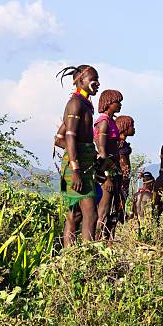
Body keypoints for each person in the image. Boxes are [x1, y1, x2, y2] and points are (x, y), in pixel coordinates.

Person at [56, 65, 100, 246]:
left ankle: (70, 259)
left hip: (83, 163)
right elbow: (69, 136)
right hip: (77, 167)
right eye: (93, 79)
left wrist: (91, 155)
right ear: (80, 81)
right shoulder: (75, 104)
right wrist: (76, 168)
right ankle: (87, 258)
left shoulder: (84, 104)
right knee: (91, 213)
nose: (97, 83)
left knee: (76, 215)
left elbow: (59, 138)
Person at [94, 90, 124, 240]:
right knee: (103, 211)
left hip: (113, 168)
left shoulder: (111, 121)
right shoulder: (103, 122)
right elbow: (102, 150)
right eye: (117, 102)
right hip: (107, 169)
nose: (120, 105)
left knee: (112, 210)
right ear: (108, 103)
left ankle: (108, 244)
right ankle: (96, 244)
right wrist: (107, 177)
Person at [115, 115, 136, 205]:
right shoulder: (118, 143)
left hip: (124, 177)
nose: (134, 129)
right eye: (132, 126)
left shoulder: (123, 144)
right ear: (124, 127)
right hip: (120, 178)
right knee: (120, 200)